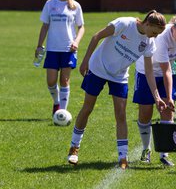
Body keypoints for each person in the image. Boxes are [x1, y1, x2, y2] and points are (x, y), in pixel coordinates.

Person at [67, 10, 167, 169]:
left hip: (119, 75)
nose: (154, 36)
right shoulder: (124, 23)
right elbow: (96, 37)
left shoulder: (149, 43)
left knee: (121, 114)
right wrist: (85, 61)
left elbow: (149, 72)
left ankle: (123, 157)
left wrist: (157, 97)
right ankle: (74, 148)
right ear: (147, 23)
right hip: (98, 67)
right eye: (154, 32)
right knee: (87, 108)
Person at [133, 11, 176, 166]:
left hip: (168, 72)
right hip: (147, 72)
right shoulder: (162, 38)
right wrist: (168, 96)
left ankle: (164, 154)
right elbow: (165, 70)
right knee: (145, 113)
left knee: (167, 110)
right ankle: (146, 149)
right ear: (172, 27)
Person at [36, 0, 85, 116]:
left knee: (64, 80)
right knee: (51, 81)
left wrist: (76, 42)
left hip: (68, 49)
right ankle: (57, 102)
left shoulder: (76, 6)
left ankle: (62, 112)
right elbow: (45, 26)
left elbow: (81, 27)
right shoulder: (50, 4)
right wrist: (39, 45)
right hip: (52, 49)